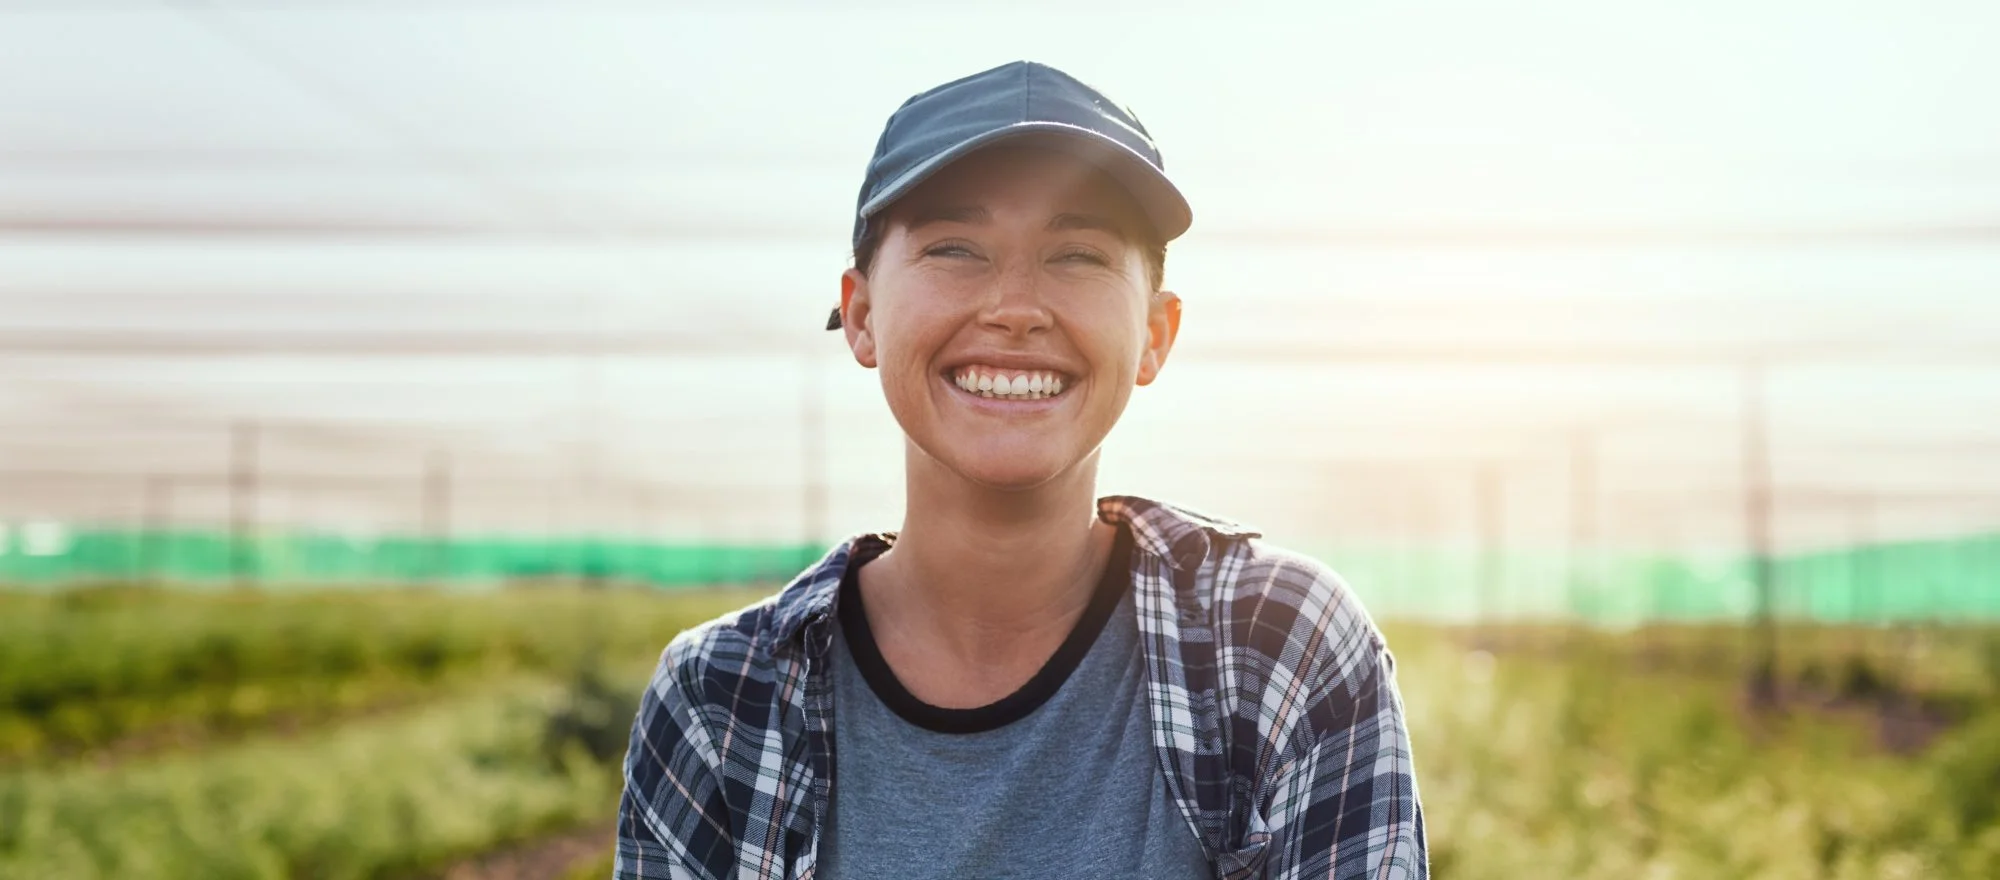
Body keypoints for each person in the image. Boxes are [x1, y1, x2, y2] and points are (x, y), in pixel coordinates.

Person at [616, 61, 1426, 880]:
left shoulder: (1275, 648)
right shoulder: (722, 698)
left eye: (1077, 255)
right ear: (861, 315)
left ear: (1154, 333)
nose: (1014, 307)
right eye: (955, 248)